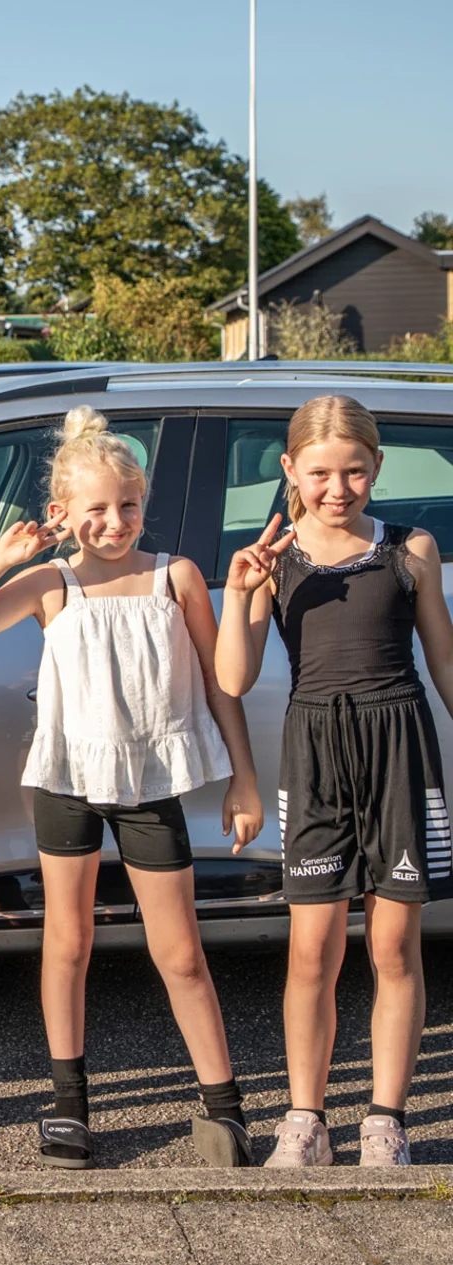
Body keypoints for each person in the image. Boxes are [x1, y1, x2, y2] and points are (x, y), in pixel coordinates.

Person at [0, 406, 262, 1169]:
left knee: (180, 951)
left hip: (149, 785)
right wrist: (0, 556)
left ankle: (224, 1106)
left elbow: (221, 685)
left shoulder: (175, 577)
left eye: (128, 505)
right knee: (68, 942)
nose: (115, 522)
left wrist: (243, 779)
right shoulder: (52, 583)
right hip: (69, 781)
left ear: (144, 502)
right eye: (98, 509)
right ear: (62, 513)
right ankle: (70, 1102)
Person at [215, 395, 453, 1168]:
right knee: (311, 948)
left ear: (377, 466)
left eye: (354, 471)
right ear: (291, 469)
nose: (338, 488)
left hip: (399, 749)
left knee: (394, 945)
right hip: (314, 754)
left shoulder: (410, 549)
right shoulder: (274, 561)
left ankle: (385, 1120)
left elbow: (445, 663)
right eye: (320, 473)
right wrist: (239, 591)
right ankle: (305, 1120)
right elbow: (233, 675)